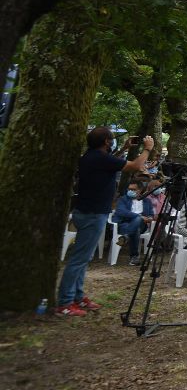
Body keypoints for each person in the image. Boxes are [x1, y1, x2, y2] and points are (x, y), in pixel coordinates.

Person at [57, 129, 153, 316]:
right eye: (111, 140)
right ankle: (65, 302)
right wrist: (147, 149)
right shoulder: (101, 159)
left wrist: (123, 148)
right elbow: (135, 166)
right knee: (78, 260)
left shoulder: (90, 156)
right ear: (107, 142)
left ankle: (77, 297)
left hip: (86, 212)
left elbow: (110, 162)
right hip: (93, 214)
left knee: (83, 258)